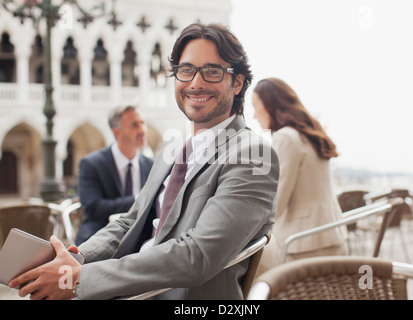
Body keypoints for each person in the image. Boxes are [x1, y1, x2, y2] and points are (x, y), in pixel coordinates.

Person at [9, 23, 279, 300]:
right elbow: (131, 222)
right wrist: (74, 258)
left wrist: (77, 279)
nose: (196, 83)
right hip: (128, 288)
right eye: (186, 70)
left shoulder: (253, 155)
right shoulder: (172, 147)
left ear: (237, 83)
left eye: (212, 71)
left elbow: (197, 256)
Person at [252, 77, 348, 275]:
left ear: (271, 105)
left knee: (237, 263)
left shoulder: (285, 137)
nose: (254, 115)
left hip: (302, 248)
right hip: (333, 240)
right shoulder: (310, 135)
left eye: (256, 106)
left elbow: (275, 204)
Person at [75, 105, 154, 245]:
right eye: (134, 125)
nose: (142, 130)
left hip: (142, 235)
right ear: (117, 133)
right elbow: (93, 208)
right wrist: (138, 200)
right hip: (100, 234)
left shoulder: (152, 165)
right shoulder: (91, 164)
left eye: (142, 123)